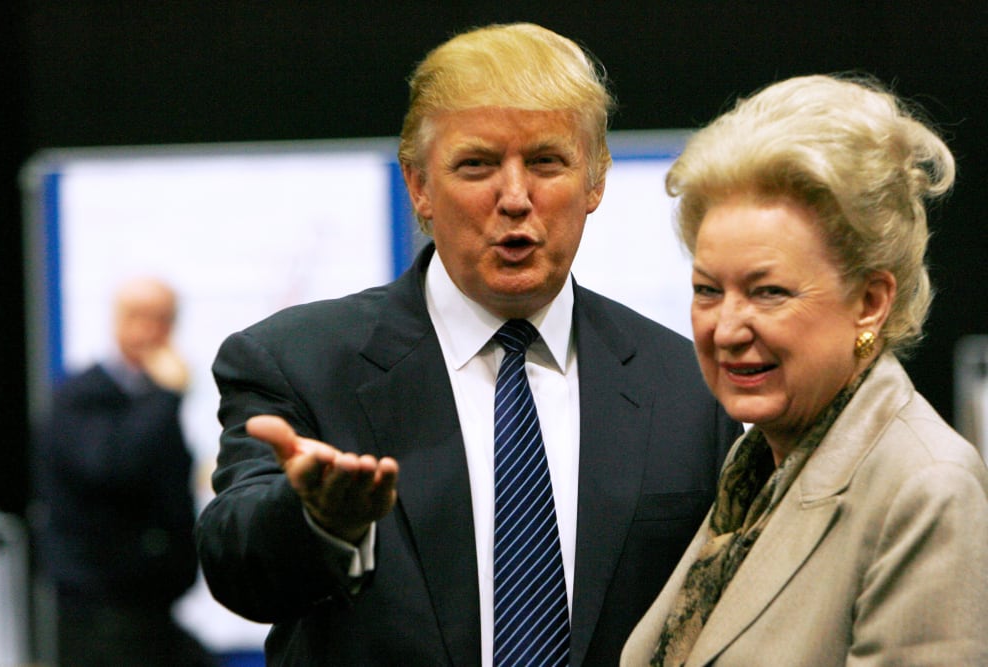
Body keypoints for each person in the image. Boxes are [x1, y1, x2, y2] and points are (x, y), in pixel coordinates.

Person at [195, 22, 742, 666]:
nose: (514, 199)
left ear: (596, 181)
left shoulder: (692, 386)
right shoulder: (298, 363)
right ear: (419, 186)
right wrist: (318, 521)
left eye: (546, 162)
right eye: (476, 165)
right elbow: (237, 569)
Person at [621, 74, 988, 666]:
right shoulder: (754, 473)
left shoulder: (927, 489)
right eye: (708, 290)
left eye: (768, 292)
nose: (727, 328)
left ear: (870, 301)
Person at [33, 277, 216, 667]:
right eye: (137, 316)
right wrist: (165, 396)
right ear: (116, 320)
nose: (149, 331)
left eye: (163, 319)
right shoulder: (80, 397)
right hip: (99, 607)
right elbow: (109, 468)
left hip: (155, 604)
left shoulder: (150, 401)